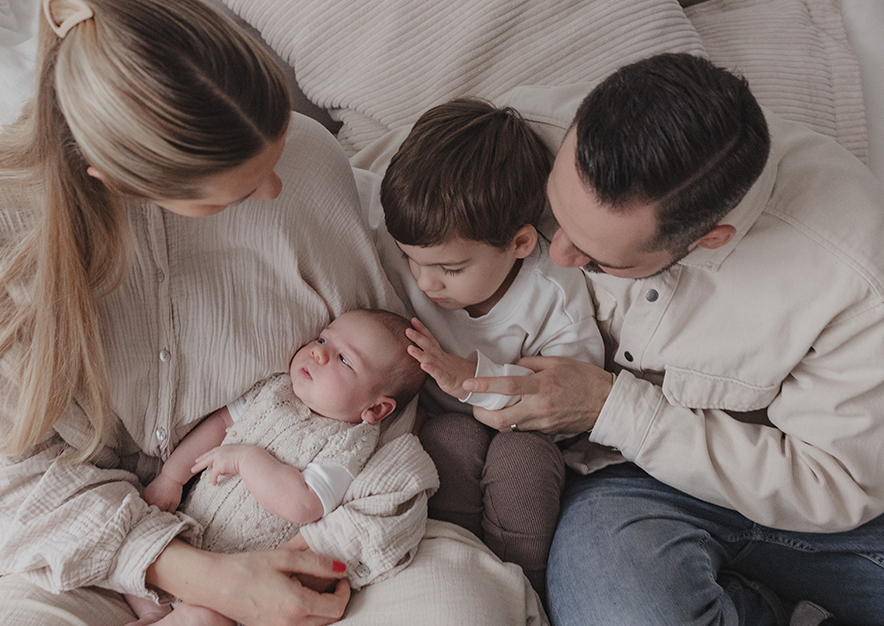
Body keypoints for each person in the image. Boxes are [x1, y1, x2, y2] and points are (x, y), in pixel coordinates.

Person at [0, 1, 547, 625]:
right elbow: (15, 485)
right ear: (125, 183)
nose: (275, 190)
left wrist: (302, 560)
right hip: (83, 545)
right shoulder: (13, 234)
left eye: (277, 150)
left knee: (457, 612)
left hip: (315, 532)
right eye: (239, 190)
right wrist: (201, 578)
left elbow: (382, 399)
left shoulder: (307, 163)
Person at [458, 53, 884, 625]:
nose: (556, 255)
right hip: (630, 485)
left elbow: (833, 485)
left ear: (710, 239)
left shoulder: (857, 273)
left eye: (597, 258)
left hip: (815, 500)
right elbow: (383, 207)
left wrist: (609, 406)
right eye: (554, 213)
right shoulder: (526, 133)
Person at [363, 97, 605, 600]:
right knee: (449, 440)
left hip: (530, 431)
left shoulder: (554, 296)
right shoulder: (402, 244)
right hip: (442, 424)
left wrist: (467, 377)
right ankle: (460, 575)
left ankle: (527, 587)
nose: (425, 282)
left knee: (522, 462)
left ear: (519, 244)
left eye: (450, 269)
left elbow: (567, 404)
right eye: (411, 260)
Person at [125, 309, 427, 626]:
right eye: (323, 339)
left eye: (343, 360)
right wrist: (172, 477)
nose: (318, 352)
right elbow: (219, 426)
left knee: (206, 618)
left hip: (242, 581)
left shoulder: (349, 444)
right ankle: (153, 614)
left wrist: (247, 460)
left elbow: (303, 504)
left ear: (376, 409)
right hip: (184, 532)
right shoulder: (275, 390)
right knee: (139, 535)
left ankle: (171, 617)